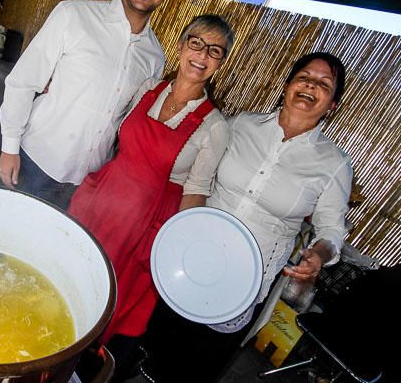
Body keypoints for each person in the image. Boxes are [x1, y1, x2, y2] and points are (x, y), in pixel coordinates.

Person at [141, 52, 353, 383]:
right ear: (287, 85)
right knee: (154, 339)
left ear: (333, 105)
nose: (311, 85)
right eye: (304, 77)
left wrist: (319, 254)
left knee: (195, 365)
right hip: (194, 253)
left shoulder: (332, 163)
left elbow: (331, 229)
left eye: (324, 84)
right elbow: (195, 168)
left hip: (246, 279)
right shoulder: (241, 126)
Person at [68, 15, 233, 382]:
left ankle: (76, 369)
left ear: (221, 62)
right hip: (104, 201)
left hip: (144, 224)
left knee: (107, 303)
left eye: (215, 50)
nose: (202, 55)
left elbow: (196, 191)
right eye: (196, 43)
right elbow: (115, 137)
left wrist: (175, 247)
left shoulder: (214, 126)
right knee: (72, 276)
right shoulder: (147, 88)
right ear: (180, 45)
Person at [0, 0, 183, 210]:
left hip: (88, 181)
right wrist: (9, 148)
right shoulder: (73, 15)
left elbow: (127, 122)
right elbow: (24, 81)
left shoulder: (154, 56)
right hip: (35, 162)